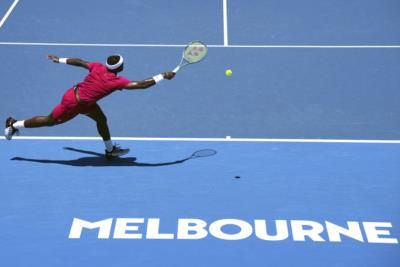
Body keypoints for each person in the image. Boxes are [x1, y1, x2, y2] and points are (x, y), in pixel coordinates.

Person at [4, 54, 176, 159]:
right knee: (50, 121)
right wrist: (163, 75)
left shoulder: (98, 66)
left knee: (101, 119)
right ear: (120, 67)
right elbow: (141, 85)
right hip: (73, 103)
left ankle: (110, 151)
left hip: (85, 101)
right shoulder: (116, 81)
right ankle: (13, 124)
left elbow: (79, 62)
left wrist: (60, 60)